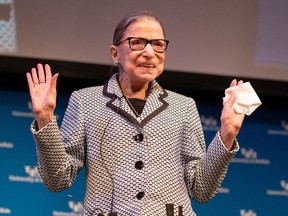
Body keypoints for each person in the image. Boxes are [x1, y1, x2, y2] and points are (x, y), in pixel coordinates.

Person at [26, 10, 245, 216]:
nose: (149, 53)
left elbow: (201, 190)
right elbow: (58, 180)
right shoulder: (85, 101)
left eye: (158, 45)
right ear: (115, 53)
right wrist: (45, 119)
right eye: (138, 43)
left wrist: (227, 133)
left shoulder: (183, 106)